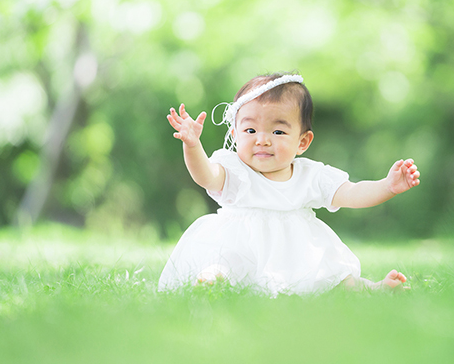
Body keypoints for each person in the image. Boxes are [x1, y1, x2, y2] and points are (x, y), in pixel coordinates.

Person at [158, 72, 421, 296]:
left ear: (302, 142)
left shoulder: (311, 175)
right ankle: (212, 281)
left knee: (333, 277)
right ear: (234, 134)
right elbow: (205, 176)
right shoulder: (233, 170)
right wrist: (193, 146)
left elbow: (351, 193)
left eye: (278, 131)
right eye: (250, 130)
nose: (262, 139)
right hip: (242, 246)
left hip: (295, 252)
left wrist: (388, 186)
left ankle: (372, 288)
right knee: (226, 264)